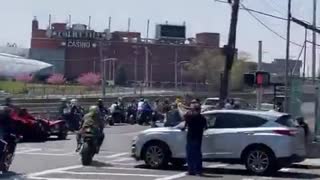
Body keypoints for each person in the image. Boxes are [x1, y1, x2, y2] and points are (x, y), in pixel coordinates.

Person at [183, 102, 207, 176]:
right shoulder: (203, 118)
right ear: (200, 110)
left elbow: (184, 117)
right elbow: (206, 127)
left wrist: (189, 110)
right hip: (198, 138)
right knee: (198, 155)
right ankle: (198, 171)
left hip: (191, 137)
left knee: (190, 155)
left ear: (194, 109)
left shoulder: (190, 116)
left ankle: (191, 170)